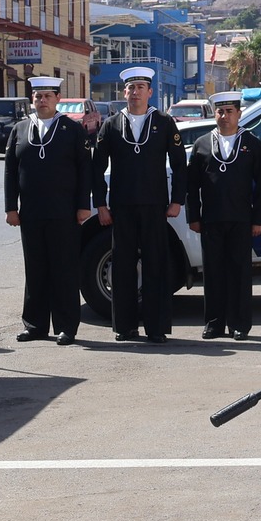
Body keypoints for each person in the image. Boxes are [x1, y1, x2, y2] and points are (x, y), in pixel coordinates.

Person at [90, 65, 186, 343]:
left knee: (156, 264)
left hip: (156, 206)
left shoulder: (165, 123)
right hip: (122, 207)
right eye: (131, 88)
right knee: (122, 265)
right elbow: (97, 168)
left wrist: (177, 200)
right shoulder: (111, 124)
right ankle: (125, 326)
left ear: (150, 92)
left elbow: (180, 165)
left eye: (140, 88)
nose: (135, 93)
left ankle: (156, 328)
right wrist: (102, 205)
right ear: (124, 92)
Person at [3, 75, 91, 345]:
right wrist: (11, 207)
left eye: (47, 96)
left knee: (64, 270)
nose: (42, 101)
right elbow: (10, 170)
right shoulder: (19, 129)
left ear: (58, 99)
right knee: (36, 269)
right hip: (31, 212)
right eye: (38, 97)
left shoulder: (71, 129)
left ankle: (66, 327)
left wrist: (82, 206)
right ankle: (35, 325)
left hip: (64, 212)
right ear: (32, 99)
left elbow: (84, 170)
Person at [184, 90, 261, 339]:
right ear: (214, 113)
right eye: (220, 111)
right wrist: (194, 217)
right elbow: (192, 186)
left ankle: (240, 324)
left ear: (239, 113)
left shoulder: (252, 143)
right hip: (211, 220)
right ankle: (214, 323)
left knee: (239, 273)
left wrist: (259, 219)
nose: (224, 116)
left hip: (242, 219)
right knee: (213, 273)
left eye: (230, 111)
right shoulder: (201, 144)